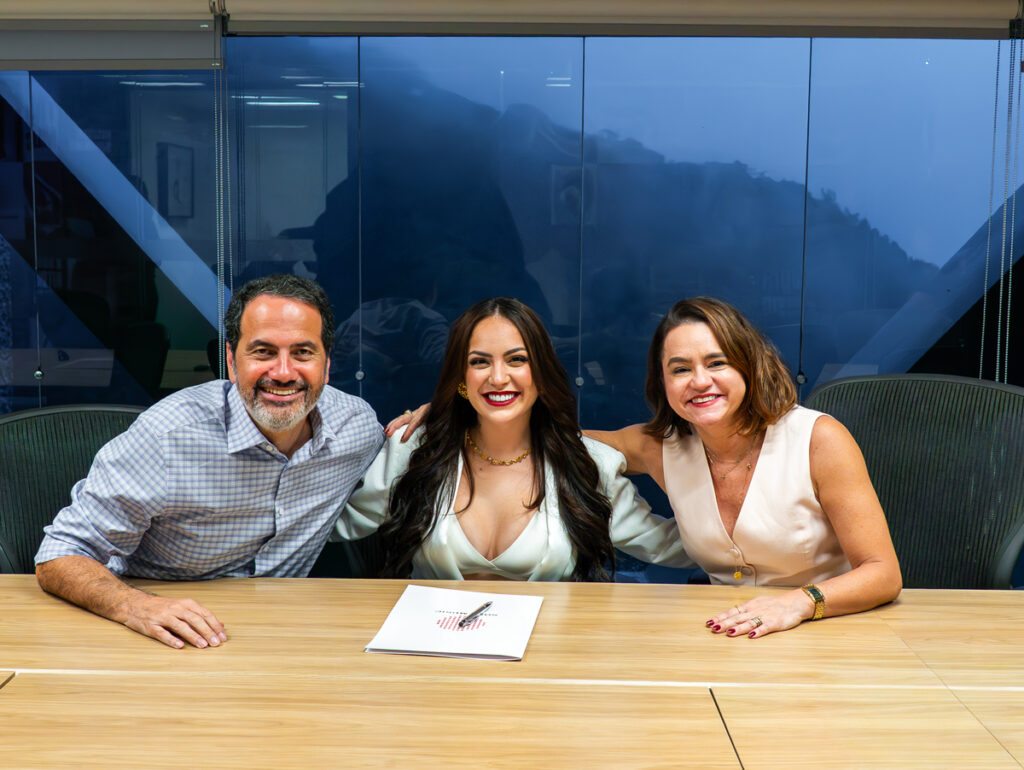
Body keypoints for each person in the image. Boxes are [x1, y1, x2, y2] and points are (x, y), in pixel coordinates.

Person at [35, 275, 383, 649]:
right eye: (263, 352)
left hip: (282, 633)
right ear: (232, 362)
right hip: (160, 633)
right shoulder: (165, 439)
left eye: (302, 353)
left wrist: (437, 412)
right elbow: (60, 554)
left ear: (327, 365)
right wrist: (135, 606)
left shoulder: (355, 429)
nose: (283, 373)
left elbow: (422, 450)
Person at [587, 297, 902, 637]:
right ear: (662, 384)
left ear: (748, 366)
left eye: (716, 363)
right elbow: (561, 442)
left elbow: (883, 574)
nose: (699, 381)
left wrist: (799, 603)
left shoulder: (819, 439)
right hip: (723, 633)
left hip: (828, 630)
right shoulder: (660, 446)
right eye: (680, 369)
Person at [338, 297, 690, 580]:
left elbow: (671, 546)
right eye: (480, 362)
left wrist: (743, 529)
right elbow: (332, 523)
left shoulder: (586, 464)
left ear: (540, 373)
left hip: (544, 658)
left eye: (516, 360)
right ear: (462, 377)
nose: (498, 377)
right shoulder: (416, 449)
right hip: (432, 657)